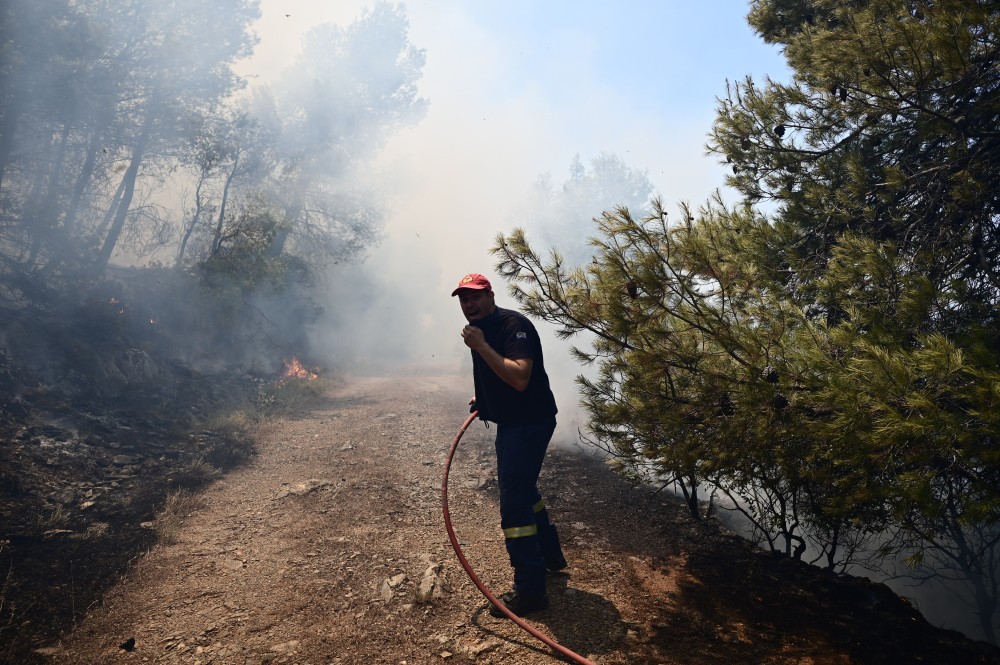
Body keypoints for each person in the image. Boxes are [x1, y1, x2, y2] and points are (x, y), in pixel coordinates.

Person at [451, 272, 567, 618]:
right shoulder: (482, 328)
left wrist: (481, 346)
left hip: (529, 423)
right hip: (515, 422)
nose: (469, 305)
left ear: (490, 296)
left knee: (514, 502)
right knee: (524, 489)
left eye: (475, 297)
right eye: (464, 300)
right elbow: (498, 376)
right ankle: (550, 556)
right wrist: (485, 399)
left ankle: (530, 592)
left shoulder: (511, 325)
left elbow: (518, 376)